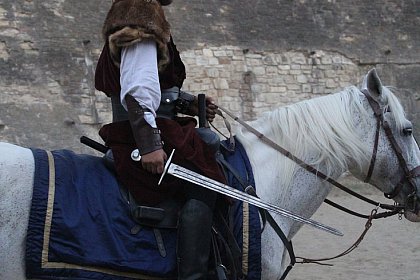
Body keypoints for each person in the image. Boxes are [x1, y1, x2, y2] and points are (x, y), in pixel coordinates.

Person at [95, 0, 226, 279]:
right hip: (136, 136)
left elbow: (155, 85)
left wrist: (187, 103)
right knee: (203, 182)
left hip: (151, 127)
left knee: (208, 145)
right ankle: (193, 275)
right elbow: (137, 88)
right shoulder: (140, 12)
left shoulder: (137, 10)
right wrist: (150, 144)